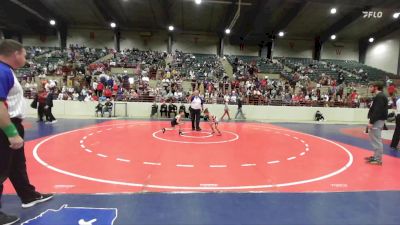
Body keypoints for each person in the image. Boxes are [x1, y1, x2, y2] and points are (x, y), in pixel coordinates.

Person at [0, 39, 53, 225]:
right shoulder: (2, 71)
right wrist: (11, 132)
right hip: (5, 126)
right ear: (15, 54)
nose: (25, 57)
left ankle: (28, 195)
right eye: (24, 54)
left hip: (12, 124)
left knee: (16, 164)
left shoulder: (7, 71)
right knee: (1, 167)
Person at [365, 82, 388, 165]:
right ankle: (376, 156)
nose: (370, 88)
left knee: (376, 139)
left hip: (377, 121)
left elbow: (377, 111)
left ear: (376, 87)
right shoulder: (379, 96)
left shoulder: (380, 97)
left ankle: (378, 159)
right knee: (374, 138)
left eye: (371, 87)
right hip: (377, 120)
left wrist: (371, 122)